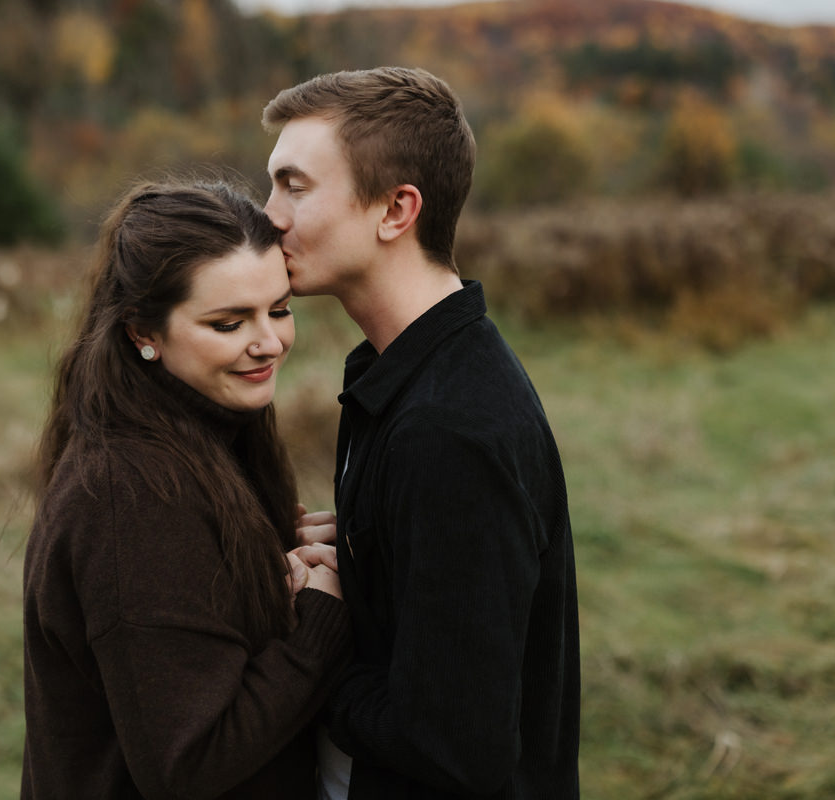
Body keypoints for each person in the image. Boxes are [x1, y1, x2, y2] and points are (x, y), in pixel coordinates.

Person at [261, 67, 580, 799]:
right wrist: (358, 558)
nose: (267, 214)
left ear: (396, 210)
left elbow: (453, 745)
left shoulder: (447, 430)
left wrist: (313, 642)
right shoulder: (398, 373)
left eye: (295, 186)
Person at [20, 178, 352, 799]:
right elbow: (189, 762)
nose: (268, 342)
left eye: (279, 310)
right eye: (228, 323)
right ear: (143, 333)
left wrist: (283, 561)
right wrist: (319, 626)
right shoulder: (134, 496)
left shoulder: (210, 428)